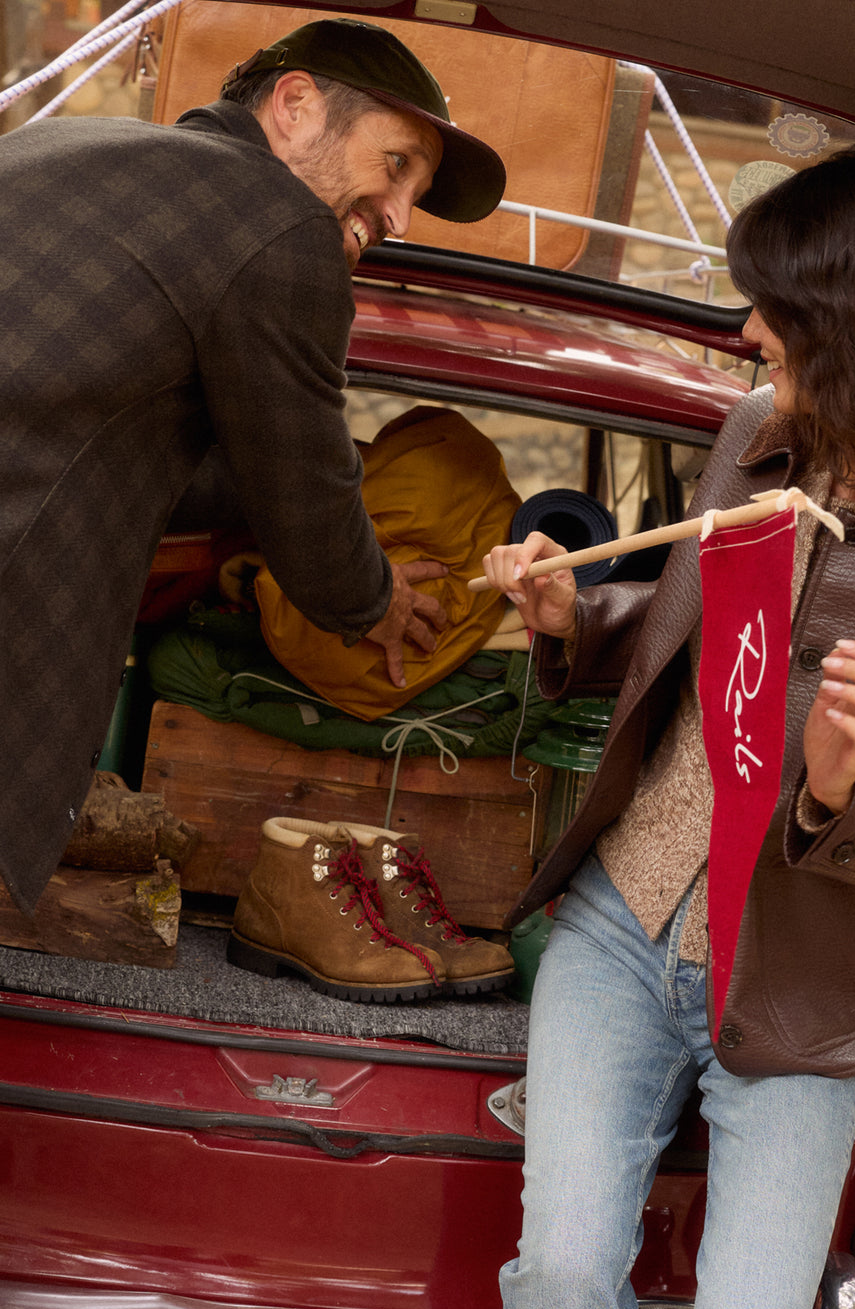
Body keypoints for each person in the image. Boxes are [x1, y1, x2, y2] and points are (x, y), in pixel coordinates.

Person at [482, 144, 855, 1309]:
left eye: (773, 306)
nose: (747, 332)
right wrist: (577, 616)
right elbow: (709, 630)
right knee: (558, 1284)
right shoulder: (754, 430)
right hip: (621, 923)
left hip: (806, 983)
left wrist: (850, 788)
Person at [0, 19, 505, 916]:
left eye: (416, 193)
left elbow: (121, 435)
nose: (398, 216)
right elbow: (310, 518)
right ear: (295, 104)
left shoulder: (61, 141)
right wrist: (377, 600)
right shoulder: (285, 230)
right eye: (395, 165)